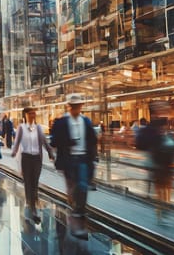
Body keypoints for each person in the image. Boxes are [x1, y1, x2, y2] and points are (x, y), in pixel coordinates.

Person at [50, 93, 97, 239]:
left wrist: (94, 158)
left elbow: (92, 141)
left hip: (83, 159)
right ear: (69, 107)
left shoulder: (86, 122)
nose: (76, 109)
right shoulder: (61, 123)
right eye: (74, 106)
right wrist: (68, 142)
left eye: (78, 106)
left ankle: (78, 214)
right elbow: (54, 142)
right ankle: (74, 209)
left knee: (82, 186)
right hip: (68, 160)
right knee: (72, 187)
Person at [135, 101, 174, 222]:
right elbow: (141, 143)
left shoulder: (165, 125)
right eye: (161, 109)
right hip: (158, 163)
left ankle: (164, 211)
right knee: (161, 188)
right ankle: (162, 212)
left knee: (166, 187)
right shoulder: (153, 128)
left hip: (167, 162)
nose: (164, 112)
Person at [11, 107, 54, 223]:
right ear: (25, 115)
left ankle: (32, 200)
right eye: (30, 114)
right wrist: (14, 151)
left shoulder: (38, 128)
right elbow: (17, 141)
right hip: (26, 158)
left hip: (36, 159)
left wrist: (50, 153)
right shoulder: (21, 128)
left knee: (34, 182)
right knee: (28, 182)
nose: (32, 115)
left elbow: (44, 141)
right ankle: (32, 207)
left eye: (34, 113)